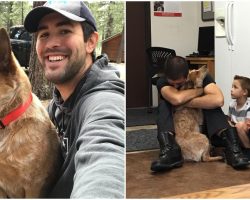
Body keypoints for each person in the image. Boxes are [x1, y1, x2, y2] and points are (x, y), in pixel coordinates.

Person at [24, 1, 124, 198]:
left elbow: (106, 162)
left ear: (91, 42)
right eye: (44, 34)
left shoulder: (103, 102)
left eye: (64, 31)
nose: (51, 43)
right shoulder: (57, 104)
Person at [151, 56, 249, 172]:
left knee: (212, 104)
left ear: (187, 76)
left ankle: (233, 150)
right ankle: (170, 150)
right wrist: (200, 91)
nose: (175, 87)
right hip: (184, 134)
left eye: (179, 83)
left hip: (209, 131)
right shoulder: (162, 80)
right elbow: (176, 99)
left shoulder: (202, 77)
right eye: (172, 84)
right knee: (164, 104)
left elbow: (219, 100)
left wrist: (186, 101)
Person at [228, 75, 250, 148]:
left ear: (244, 92)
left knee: (240, 125)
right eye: (232, 86)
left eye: (235, 87)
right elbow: (229, 120)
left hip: (246, 131)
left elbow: (247, 125)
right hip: (235, 129)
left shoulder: (248, 106)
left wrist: (236, 125)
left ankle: (248, 150)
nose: (231, 89)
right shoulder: (232, 104)